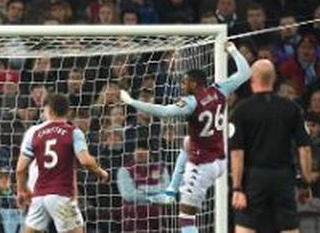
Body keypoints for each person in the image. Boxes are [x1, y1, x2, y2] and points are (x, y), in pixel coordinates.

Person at [119, 42, 251, 233]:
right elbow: (245, 72)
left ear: (194, 84)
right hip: (220, 162)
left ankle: (171, 193)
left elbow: (163, 112)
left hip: (200, 166)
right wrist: (232, 49)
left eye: (184, 82)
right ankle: (171, 191)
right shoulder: (220, 90)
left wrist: (132, 102)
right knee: (187, 142)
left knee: (186, 220)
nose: (181, 85)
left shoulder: (191, 103)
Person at [230, 58, 314, 233]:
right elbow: (304, 148)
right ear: (274, 79)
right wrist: (306, 183)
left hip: (254, 177)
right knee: (289, 228)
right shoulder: (292, 108)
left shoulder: (242, 110)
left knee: (245, 227)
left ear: (252, 78)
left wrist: (237, 187)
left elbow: (237, 152)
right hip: (283, 177)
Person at [15, 93, 109, 233]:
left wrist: (22, 190)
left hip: (39, 197)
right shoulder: (73, 133)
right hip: (62, 197)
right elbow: (85, 161)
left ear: (49, 111)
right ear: (68, 112)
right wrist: (100, 172)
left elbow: (20, 169)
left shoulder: (34, 133)